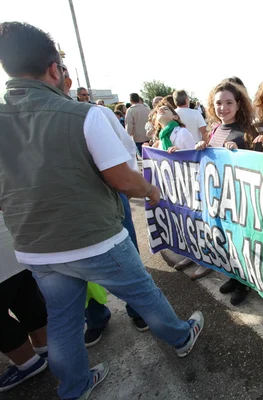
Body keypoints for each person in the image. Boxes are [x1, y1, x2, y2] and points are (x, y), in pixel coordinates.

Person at [0, 22, 204, 400]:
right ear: (54, 69)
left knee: (62, 321)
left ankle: (74, 387)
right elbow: (123, 180)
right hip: (95, 240)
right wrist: (152, 191)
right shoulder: (83, 115)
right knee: (145, 295)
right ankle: (181, 336)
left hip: (36, 248)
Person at [61, 65, 149, 346]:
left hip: (108, 200)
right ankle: (96, 317)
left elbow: (124, 154)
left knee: (128, 256)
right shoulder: (21, 121)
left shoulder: (94, 115)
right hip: (63, 213)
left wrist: (140, 187)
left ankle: (139, 309)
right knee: (76, 271)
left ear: (65, 81)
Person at [195, 80, 263, 304]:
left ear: (238, 104)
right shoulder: (215, 128)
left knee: (241, 243)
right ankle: (234, 276)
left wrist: (239, 152)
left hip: (240, 199)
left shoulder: (247, 131)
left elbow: (259, 163)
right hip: (219, 196)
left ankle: (245, 284)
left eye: (228, 103)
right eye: (218, 103)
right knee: (226, 241)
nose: (223, 108)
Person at [0, 210, 49, 392]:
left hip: (12, 241)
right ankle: (43, 346)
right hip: (13, 241)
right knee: (25, 297)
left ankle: (27, 362)